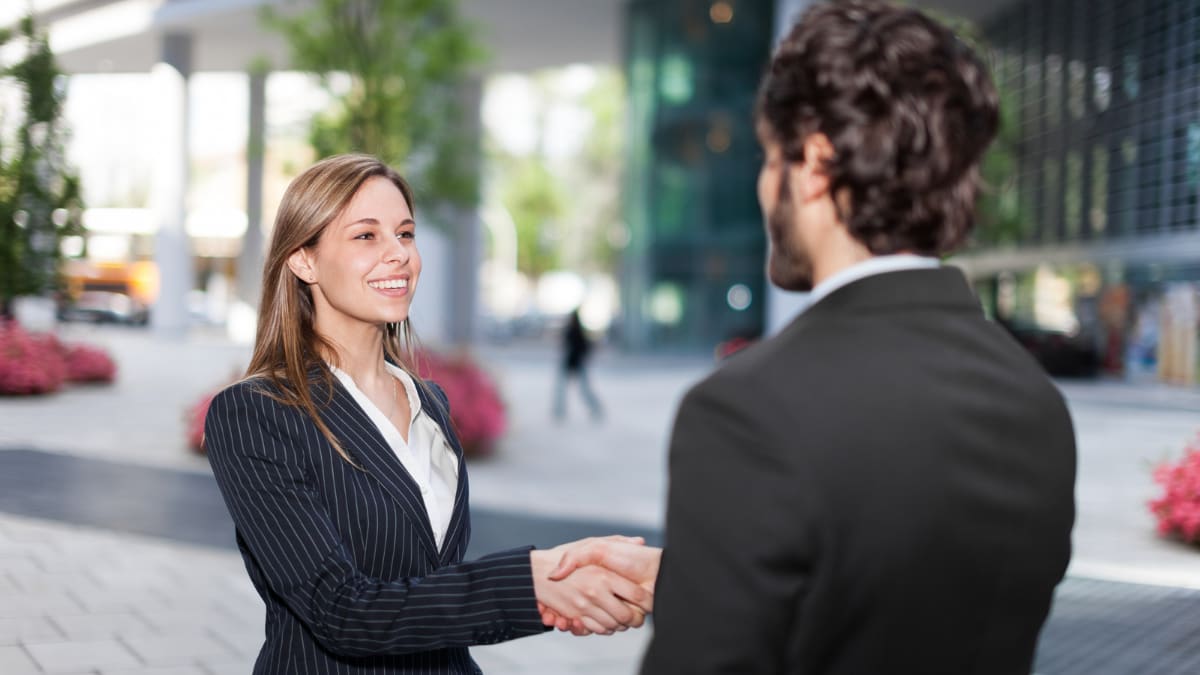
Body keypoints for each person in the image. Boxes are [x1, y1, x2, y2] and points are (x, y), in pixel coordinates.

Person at [637, 2, 1077, 672]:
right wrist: (702, 572)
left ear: (813, 165)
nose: (762, 186)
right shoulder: (1035, 403)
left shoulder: (745, 415)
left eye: (766, 155)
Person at [203, 154, 660, 674]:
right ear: (303, 260)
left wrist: (558, 585)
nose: (398, 254)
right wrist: (532, 581)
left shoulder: (430, 404)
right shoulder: (254, 414)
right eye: (366, 236)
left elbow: (426, 584)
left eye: (405, 233)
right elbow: (342, 611)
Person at [552, 307, 604, 421]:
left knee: (579, 390)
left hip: (575, 363)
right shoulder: (574, 331)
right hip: (572, 363)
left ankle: (560, 412)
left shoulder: (576, 331)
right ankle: (559, 412)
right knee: (566, 390)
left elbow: (583, 347)